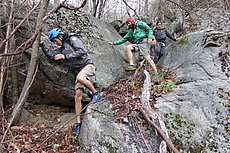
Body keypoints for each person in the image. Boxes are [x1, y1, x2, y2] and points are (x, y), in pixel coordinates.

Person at [40, 28, 100, 135]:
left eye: (55, 40)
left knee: (80, 78)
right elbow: (51, 56)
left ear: (60, 36)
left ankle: (95, 93)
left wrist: (65, 56)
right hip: (78, 72)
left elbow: (81, 51)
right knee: (77, 96)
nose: (55, 43)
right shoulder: (62, 48)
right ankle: (78, 123)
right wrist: (42, 46)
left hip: (87, 66)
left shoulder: (73, 39)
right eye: (53, 42)